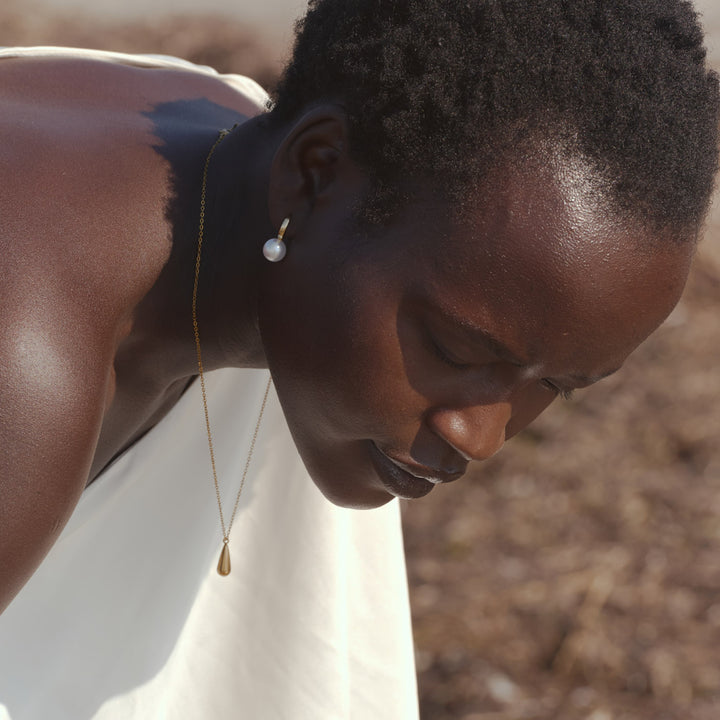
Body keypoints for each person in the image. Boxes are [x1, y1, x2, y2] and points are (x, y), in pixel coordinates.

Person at [0, 0, 718, 717]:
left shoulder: (255, 156)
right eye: (455, 348)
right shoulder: (24, 348)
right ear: (313, 172)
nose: (479, 439)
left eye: (558, 386)